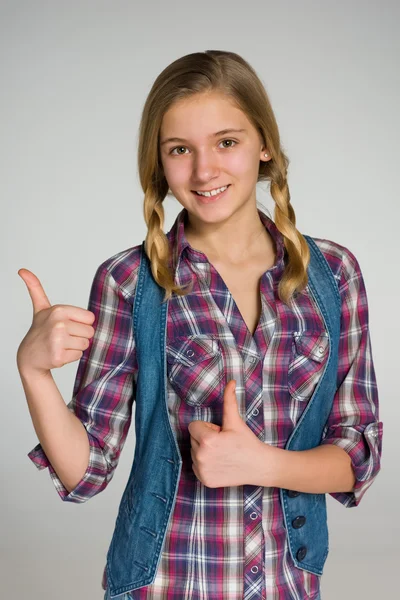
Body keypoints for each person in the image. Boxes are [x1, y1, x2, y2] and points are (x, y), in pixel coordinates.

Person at [17, 50, 383, 600]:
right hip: (166, 585)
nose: (204, 170)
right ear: (160, 164)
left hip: (288, 585)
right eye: (180, 150)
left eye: (226, 142)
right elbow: (85, 470)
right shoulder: (130, 282)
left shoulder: (332, 275)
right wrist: (33, 372)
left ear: (263, 144)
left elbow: (358, 456)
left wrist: (259, 462)